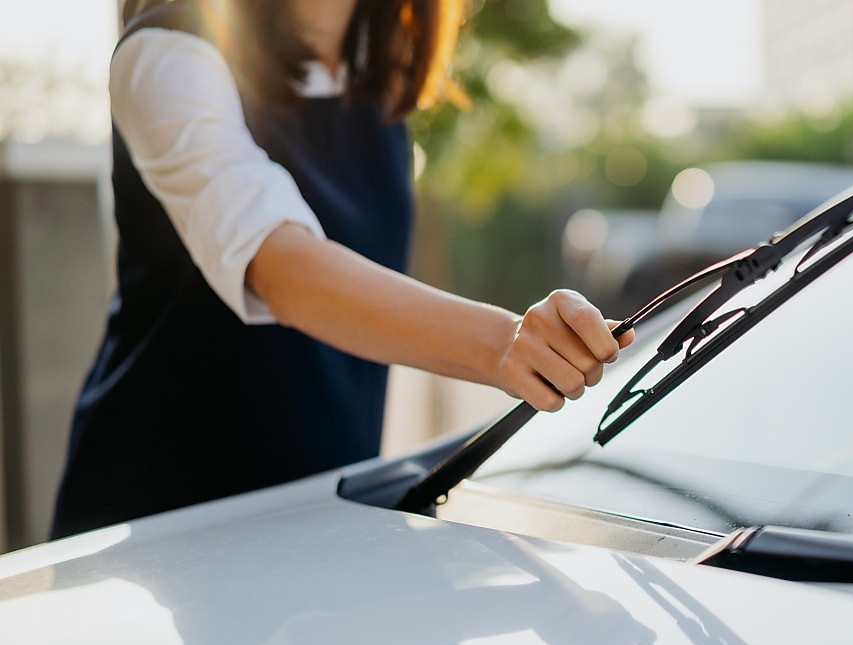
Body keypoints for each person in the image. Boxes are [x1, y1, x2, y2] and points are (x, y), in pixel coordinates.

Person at [50, 0, 633, 539]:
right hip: (159, 516)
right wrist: (504, 343)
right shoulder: (169, 53)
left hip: (323, 506)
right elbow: (278, 267)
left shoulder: (377, 70)